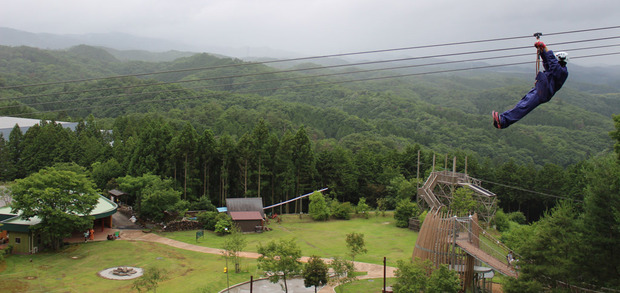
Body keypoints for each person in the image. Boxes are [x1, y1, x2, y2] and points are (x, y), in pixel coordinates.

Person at [493, 41, 569, 129]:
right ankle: (502, 119)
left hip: (544, 92)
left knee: (524, 106)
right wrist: (541, 50)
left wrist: (545, 48)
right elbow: (548, 62)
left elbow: (552, 63)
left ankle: (503, 122)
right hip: (541, 89)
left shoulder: (562, 72)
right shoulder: (556, 70)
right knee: (522, 104)